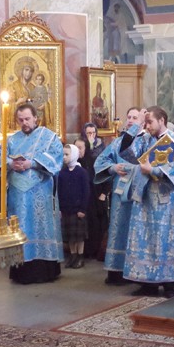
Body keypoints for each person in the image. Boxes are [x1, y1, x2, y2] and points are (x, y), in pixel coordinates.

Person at [0, 103, 64, 284]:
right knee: (20, 228)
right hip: (17, 193)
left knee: (41, 227)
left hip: (40, 191)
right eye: (21, 120)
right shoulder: (11, 140)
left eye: (27, 119)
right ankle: (21, 271)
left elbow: (57, 157)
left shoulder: (48, 137)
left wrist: (32, 163)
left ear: (35, 118)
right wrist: (11, 164)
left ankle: (45, 270)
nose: (24, 123)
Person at [122, 106, 174, 296]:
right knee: (145, 239)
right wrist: (137, 126)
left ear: (162, 120)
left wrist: (154, 170)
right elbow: (126, 152)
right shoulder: (144, 140)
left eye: (150, 122)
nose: (147, 126)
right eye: (145, 123)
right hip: (144, 197)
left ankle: (169, 283)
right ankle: (147, 283)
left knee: (165, 239)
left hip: (165, 199)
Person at [95, 106, 143, 285]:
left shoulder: (146, 140)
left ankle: (136, 270)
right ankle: (116, 270)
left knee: (136, 228)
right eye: (129, 117)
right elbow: (101, 161)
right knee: (118, 227)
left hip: (139, 190)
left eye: (135, 117)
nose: (130, 120)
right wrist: (113, 168)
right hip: (120, 190)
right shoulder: (118, 142)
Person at [57, 144, 91, 268]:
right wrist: (60, 208)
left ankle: (80, 256)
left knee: (79, 236)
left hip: (78, 210)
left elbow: (86, 191)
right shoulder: (62, 173)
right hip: (66, 209)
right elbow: (59, 191)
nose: (64, 157)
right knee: (70, 236)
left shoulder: (82, 172)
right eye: (63, 154)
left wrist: (83, 209)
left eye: (67, 154)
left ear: (74, 155)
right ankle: (73, 256)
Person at [77, 122, 107, 260]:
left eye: (93, 133)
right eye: (88, 133)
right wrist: (87, 147)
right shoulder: (81, 146)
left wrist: (105, 192)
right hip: (86, 188)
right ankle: (86, 250)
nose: (91, 136)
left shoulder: (102, 146)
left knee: (98, 220)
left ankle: (98, 249)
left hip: (98, 188)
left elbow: (105, 169)